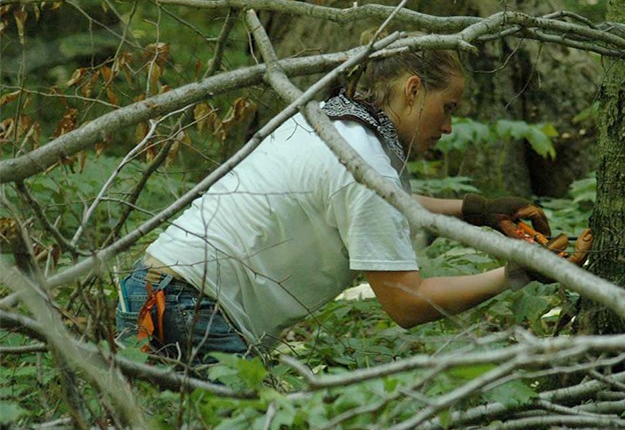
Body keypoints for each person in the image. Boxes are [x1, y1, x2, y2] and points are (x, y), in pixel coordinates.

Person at [116, 44, 579, 364]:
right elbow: (408, 303)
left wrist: (473, 210)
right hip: (187, 310)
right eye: (449, 107)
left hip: (159, 290)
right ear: (413, 90)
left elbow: (363, 198)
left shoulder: (332, 125)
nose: (449, 126)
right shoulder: (367, 165)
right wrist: (516, 271)